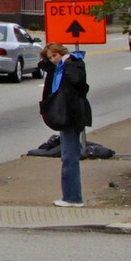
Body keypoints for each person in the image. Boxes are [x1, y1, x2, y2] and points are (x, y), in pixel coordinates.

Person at [36, 41, 93, 207]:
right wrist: (52, 60)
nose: (54, 59)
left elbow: (79, 83)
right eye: (51, 57)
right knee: (68, 156)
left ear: (62, 52)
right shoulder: (57, 68)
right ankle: (71, 196)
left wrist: (67, 63)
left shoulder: (73, 64)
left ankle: (72, 197)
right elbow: (44, 66)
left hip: (72, 115)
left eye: (55, 55)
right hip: (65, 114)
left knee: (69, 157)